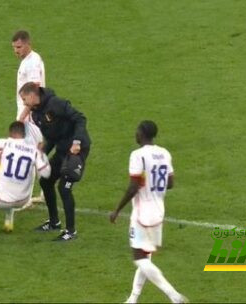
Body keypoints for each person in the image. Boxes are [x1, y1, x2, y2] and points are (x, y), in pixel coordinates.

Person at [109, 120, 187, 304]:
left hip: (142, 211)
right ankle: (133, 299)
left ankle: (174, 296)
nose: (135, 134)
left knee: (139, 259)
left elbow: (133, 186)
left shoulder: (138, 155)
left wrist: (117, 210)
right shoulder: (164, 153)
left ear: (142, 133)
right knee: (146, 257)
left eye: (137, 131)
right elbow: (170, 183)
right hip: (159, 209)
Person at [19, 82, 91, 241]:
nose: (24, 104)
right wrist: (40, 154)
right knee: (45, 181)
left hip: (76, 149)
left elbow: (80, 118)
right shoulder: (36, 114)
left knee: (64, 188)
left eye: (24, 99)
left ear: (32, 95)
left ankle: (71, 231)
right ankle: (54, 222)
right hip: (62, 149)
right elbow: (51, 138)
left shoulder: (56, 103)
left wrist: (77, 142)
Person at [0, 121, 51, 232]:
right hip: (24, 200)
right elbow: (46, 173)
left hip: (3, 199)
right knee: (10, 185)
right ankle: (8, 221)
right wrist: (41, 154)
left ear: (10, 132)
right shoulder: (33, 151)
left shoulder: (3, 143)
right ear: (24, 134)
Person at [9, 30, 46, 227]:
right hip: (32, 115)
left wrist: (23, 116)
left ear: (27, 44)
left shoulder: (32, 62)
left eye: (19, 47)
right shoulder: (31, 59)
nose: (16, 51)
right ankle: (45, 192)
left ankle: (26, 198)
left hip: (30, 116)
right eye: (14, 48)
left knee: (28, 155)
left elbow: (34, 92)